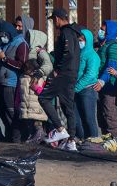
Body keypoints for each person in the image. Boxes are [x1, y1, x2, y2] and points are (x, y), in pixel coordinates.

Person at [40, 8, 81, 141]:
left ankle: (60, 129)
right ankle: (71, 141)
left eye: (53, 20)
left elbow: (68, 53)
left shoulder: (66, 32)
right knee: (68, 106)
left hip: (64, 74)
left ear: (57, 19)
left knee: (44, 98)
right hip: (71, 73)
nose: (53, 23)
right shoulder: (74, 32)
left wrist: (58, 69)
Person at [0, 18, 26, 141]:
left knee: (11, 112)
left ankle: (16, 139)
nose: (2, 38)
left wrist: (5, 59)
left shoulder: (20, 43)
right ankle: (9, 138)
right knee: (3, 113)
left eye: (4, 35)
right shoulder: (6, 43)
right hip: (1, 81)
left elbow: (22, 64)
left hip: (11, 83)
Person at [95, 20, 117, 140]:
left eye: (103, 30)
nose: (101, 32)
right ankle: (107, 140)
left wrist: (102, 80)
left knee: (110, 113)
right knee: (102, 115)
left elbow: (111, 66)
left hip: (110, 86)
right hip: (102, 86)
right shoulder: (104, 44)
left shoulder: (113, 46)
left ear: (110, 31)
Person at [73, 26, 100, 140]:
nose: (80, 42)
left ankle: (94, 140)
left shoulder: (92, 55)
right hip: (76, 89)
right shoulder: (78, 53)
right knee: (77, 118)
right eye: (78, 40)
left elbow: (90, 74)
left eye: (81, 40)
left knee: (89, 118)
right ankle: (83, 140)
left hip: (87, 90)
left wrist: (77, 86)